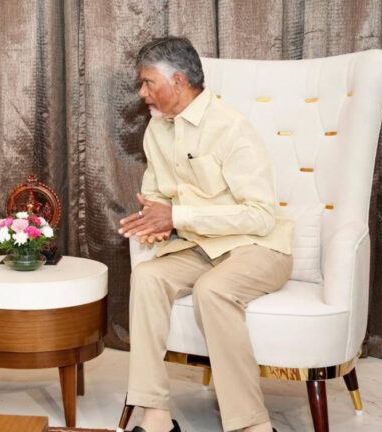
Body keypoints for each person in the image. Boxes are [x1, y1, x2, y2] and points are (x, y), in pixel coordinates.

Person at [118, 37, 293, 432]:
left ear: (177, 82)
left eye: (148, 82)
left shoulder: (231, 128)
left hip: (260, 248)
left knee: (212, 290)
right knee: (147, 277)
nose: (142, 92)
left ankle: (253, 425)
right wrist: (153, 219)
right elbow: (161, 195)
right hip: (201, 246)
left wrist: (177, 216)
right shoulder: (156, 129)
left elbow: (261, 216)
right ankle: (156, 417)